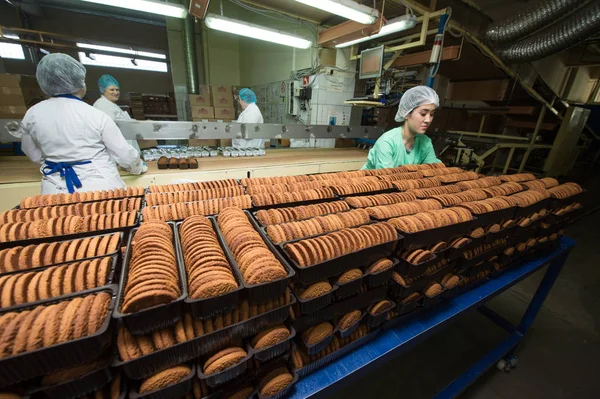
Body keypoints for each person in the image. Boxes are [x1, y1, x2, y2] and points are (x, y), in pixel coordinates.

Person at [20, 53, 147, 195]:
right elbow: (124, 153)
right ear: (79, 83)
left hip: (54, 188)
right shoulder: (94, 114)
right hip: (98, 187)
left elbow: (31, 152)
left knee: (58, 217)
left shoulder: (33, 113)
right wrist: (138, 167)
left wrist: (57, 161)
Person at [362, 85, 441, 170]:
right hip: (373, 182)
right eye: (423, 114)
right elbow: (386, 179)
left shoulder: (425, 142)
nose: (428, 120)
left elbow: (433, 171)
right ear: (406, 113)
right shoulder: (387, 142)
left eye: (432, 114)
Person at [93, 74, 140, 152]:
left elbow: (125, 122)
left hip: (125, 150)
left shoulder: (112, 105)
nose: (116, 92)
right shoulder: (103, 105)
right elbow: (109, 131)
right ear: (103, 90)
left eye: (117, 90)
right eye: (112, 90)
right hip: (116, 151)